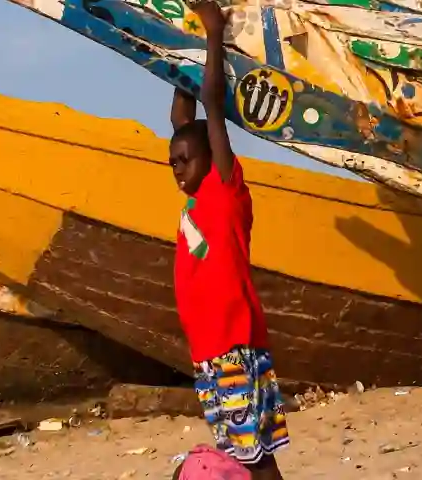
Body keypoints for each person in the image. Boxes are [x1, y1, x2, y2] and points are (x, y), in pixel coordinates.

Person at [169, 3, 287, 479]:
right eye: (172, 162)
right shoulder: (197, 197)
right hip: (209, 352)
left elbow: (210, 105)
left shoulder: (224, 188)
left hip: (234, 345)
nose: (177, 169)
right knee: (245, 455)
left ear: (210, 155)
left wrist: (213, 33)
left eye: (184, 159)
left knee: (255, 458)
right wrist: (177, 43)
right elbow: (182, 114)